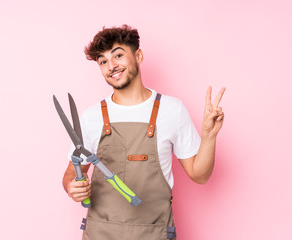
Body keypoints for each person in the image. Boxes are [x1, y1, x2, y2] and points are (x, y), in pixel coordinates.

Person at [62, 24, 225, 240]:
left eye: (118, 55)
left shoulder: (172, 110)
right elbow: (71, 172)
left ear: (138, 56)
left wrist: (209, 135)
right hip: (100, 234)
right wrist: (72, 186)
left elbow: (200, 175)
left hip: (154, 234)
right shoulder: (91, 116)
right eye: (103, 61)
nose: (111, 66)